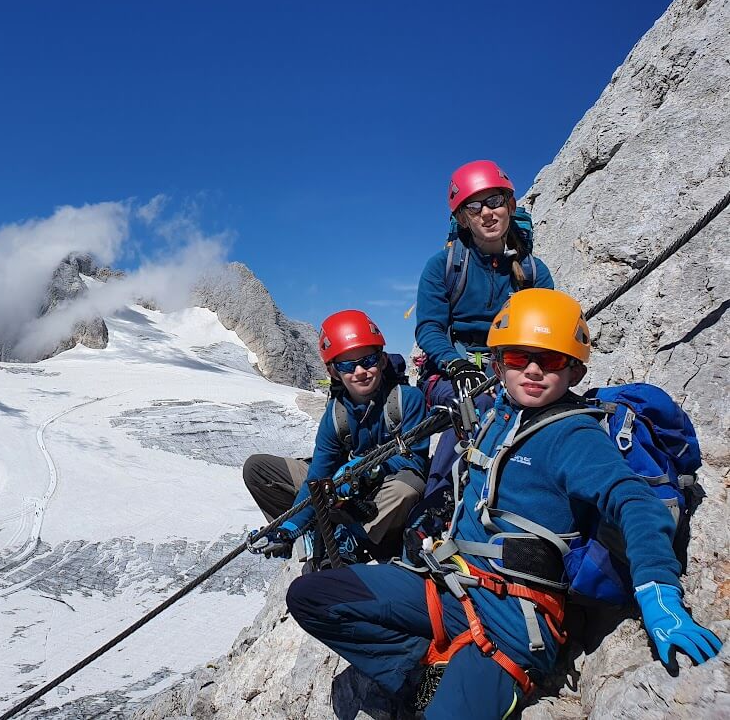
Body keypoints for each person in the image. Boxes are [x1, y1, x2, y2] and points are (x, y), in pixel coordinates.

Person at [286, 289, 722, 718]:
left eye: (549, 360)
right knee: (310, 596)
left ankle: (455, 680)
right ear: (497, 363)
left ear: (574, 371)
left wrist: (658, 590)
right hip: (447, 584)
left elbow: (635, 502)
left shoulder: (574, 436)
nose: (532, 370)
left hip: (514, 620)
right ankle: (419, 674)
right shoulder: (496, 414)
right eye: (517, 358)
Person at [243, 310, 429, 564]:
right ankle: (306, 532)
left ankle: (352, 543)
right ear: (333, 371)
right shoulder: (335, 416)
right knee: (258, 469)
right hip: (343, 490)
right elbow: (318, 475)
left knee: (408, 488)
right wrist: (287, 528)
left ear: (382, 360)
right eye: (347, 365)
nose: (360, 371)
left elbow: (414, 461)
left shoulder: (407, 399)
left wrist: (366, 468)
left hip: (384, 491)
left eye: (368, 360)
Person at [414, 160, 553, 500]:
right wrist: (455, 364)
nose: (487, 213)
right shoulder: (443, 266)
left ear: (510, 206)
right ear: (462, 218)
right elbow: (430, 327)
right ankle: (436, 501)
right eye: (474, 207)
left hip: (507, 364)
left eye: (494, 202)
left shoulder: (534, 272)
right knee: (473, 403)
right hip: (448, 370)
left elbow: (546, 328)